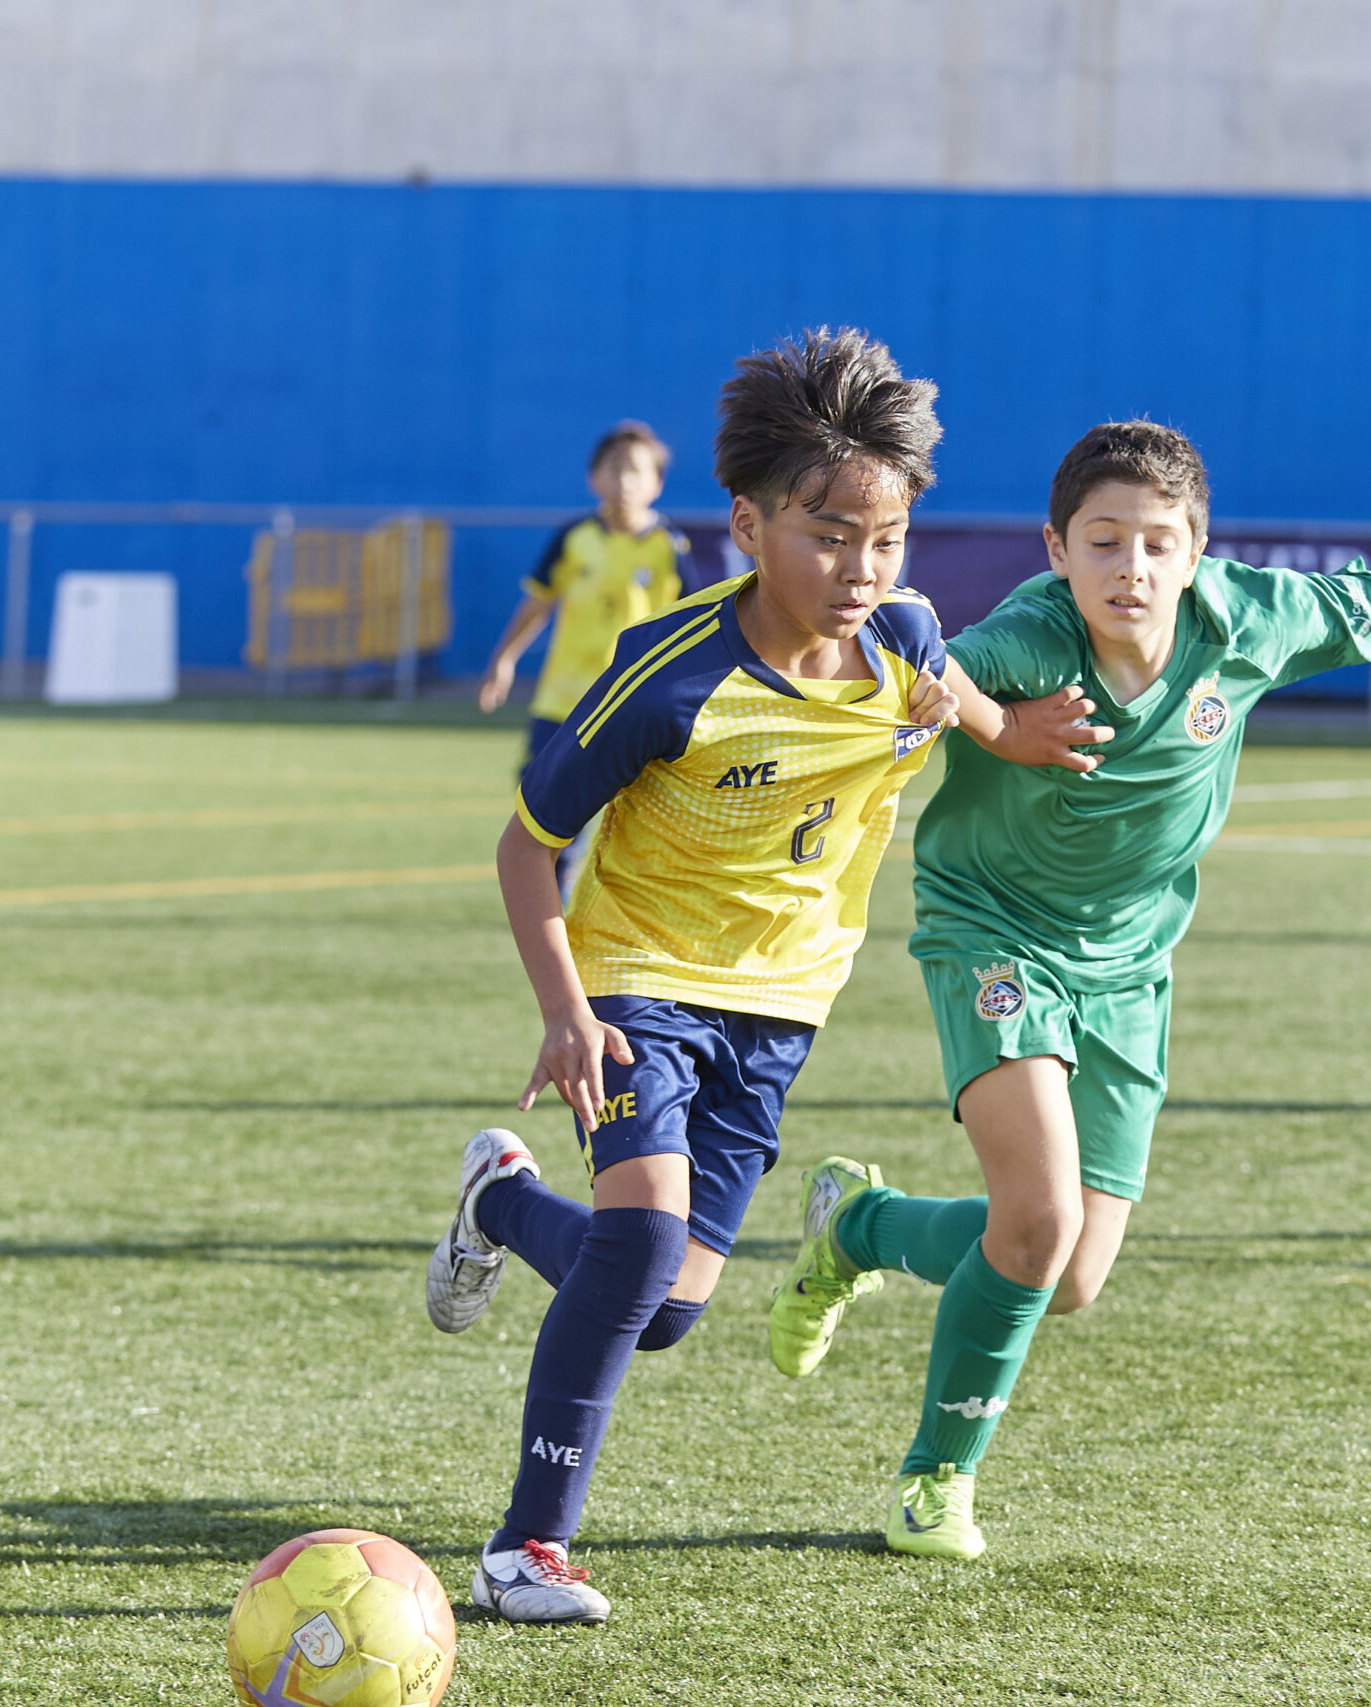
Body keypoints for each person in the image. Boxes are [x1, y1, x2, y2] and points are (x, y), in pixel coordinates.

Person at [765, 411, 1371, 1562]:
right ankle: (934, 1482)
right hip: (992, 934)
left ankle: (857, 1225)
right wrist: (979, 715)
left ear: (1197, 551)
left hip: (1129, 968)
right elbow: (928, 660)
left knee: (1069, 1274)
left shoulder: (1252, 618)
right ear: (1056, 550)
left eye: (1158, 543)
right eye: (1103, 541)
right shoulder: (1032, 636)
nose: (1131, 567)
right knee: (1040, 1221)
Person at [421, 329, 1098, 1624]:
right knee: (641, 1244)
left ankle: (500, 1200)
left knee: (665, 1307)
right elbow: (526, 844)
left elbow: (952, 691)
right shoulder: (670, 674)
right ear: (747, 524)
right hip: (636, 975)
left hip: (781, 1006)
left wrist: (1011, 731)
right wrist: (565, 1011)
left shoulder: (904, 636)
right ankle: (523, 1550)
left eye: (886, 538)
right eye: (828, 535)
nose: (861, 568)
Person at [476, 421, 690, 892]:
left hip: (633, 705)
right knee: (542, 816)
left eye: (636, 470)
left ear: (657, 483)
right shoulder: (573, 537)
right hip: (562, 701)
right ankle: (552, 902)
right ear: (594, 478)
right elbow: (537, 603)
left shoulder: (670, 547)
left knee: (637, 818)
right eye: (613, 469)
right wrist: (503, 659)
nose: (624, 480)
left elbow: (688, 623)